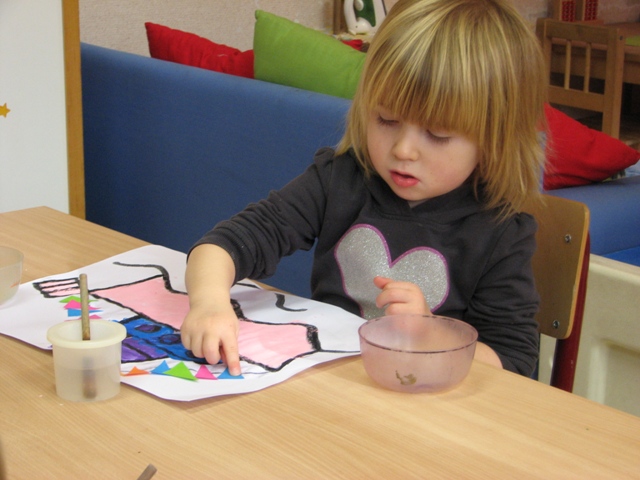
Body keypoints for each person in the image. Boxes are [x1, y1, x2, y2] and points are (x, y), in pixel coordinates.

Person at [181, 0, 547, 378]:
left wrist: (430, 334)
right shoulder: (340, 178)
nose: (403, 150)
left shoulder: (501, 231)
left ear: (494, 140)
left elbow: (514, 362)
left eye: (437, 134)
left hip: (424, 399)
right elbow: (227, 243)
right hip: (333, 382)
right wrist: (209, 304)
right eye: (386, 119)